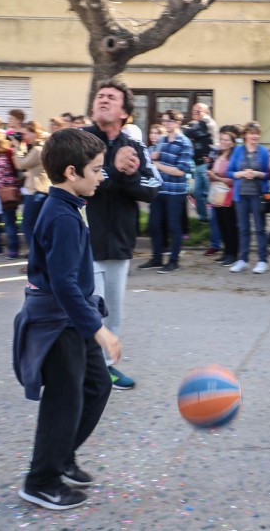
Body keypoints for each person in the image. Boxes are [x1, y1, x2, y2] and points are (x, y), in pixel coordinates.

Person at [12, 128, 121, 509]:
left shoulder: (68, 204)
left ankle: (61, 458)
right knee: (64, 401)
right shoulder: (62, 216)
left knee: (96, 387)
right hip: (59, 324)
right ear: (72, 172)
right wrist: (100, 331)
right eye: (96, 170)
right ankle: (40, 480)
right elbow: (62, 282)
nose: (101, 176)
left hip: (75, 317)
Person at [83, 79, 162, 391]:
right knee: (92, 308)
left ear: (125, 112)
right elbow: (77, 181)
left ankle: (106, 369)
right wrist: (115, 171)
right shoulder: (81, 140)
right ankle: (86, 370)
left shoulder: (135, 146)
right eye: (100, 96)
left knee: (112, 314)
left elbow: (153, 188)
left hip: (119, 242)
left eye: (111, 98)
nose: (103, 100)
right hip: (84, 240)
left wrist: (127, 175)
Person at [136, 110, 193, 274]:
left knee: (173, 226)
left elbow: (180, 171)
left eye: (167, 121)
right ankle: (157, 257)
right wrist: (154, 160)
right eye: (163, 121)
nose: (164, 124)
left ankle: (173, 261)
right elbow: (153, 160)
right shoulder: (162, 140)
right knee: (154, 225)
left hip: (175, 192)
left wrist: (156, 164)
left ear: (177, 123)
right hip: (159, 189)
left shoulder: (185, 143)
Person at [227, 121, 270, 274]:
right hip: (241, 195)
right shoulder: (238, 151)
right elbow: (229, 172)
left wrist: (258, 174)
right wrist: (242, 174)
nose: (255, 136)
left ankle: (262, 260)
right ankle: (243, 259)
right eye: (252, 133)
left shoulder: (263, 152)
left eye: (257, 133)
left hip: (257, 195)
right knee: (243, 228)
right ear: (245, 135)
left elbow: (268, 174)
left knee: (260, 229)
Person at [14, 121, 51, 254]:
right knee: (36, 226)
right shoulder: (41, 147)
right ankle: (39, 258)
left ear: (36, 133)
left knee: (27, 225)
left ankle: (37, 258)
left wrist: (18, 147)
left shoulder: (37, 149)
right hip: (39, 190)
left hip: (36, 190)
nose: (24, 137)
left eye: (26, 133)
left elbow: (20, 164)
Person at [207, 131, 239, 266]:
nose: (223, 142)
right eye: (222, 139)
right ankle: (226, 252)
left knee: (229, 224)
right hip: (218, 192)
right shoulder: (219, 154)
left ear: (232, 143)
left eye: (226, 140)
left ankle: (233, 253)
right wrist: (211, 174)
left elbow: (233, 178)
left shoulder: (233, 157)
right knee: (221, 224)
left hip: (228, 194)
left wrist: (217, 178)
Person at [183, 103, 217, 226]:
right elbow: (187, 133)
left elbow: (192, 133)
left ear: (206, 112)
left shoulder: (207, 122)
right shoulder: (196, 124)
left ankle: (215, 221)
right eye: (194, 111)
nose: (195, 114)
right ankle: (204, 220)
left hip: (207, 164)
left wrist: (190, 132)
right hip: (198, 163)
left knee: (210, 194)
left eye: (199, 111)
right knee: (197, 193)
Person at [0, 132, 20, 258]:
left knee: (9, 221)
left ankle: (13, 248)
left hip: (6, 192)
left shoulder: (7, 153)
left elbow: (16, 170)